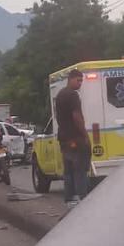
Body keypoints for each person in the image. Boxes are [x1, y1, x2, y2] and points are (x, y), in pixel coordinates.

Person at [54, 68, 91, 206]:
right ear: (70, 79)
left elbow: (59, 117)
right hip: (75, 139)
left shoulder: (60, 95)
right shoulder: (72, 95)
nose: (80, 83)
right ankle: (83, 199)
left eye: (81, 80)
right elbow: (76, 116)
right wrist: (84, 134)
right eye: (78, 80)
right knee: (80, 169)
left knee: (68, 170)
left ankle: (69, 199)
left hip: (64, 139)